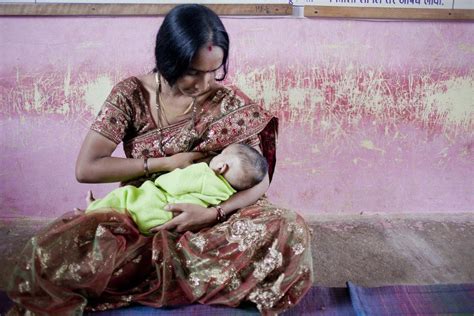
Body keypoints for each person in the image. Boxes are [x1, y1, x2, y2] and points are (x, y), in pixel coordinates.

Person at [7, 4, 313, 315]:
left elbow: (260, 180)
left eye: (214, 72)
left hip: (210, 220)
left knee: (288, 229)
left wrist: (214, 214)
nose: (205, 84)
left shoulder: (227, 103)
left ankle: (166, 276)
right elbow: (87, 168)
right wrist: (165, 164)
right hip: (142, 219)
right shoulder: (131, 96)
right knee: (54, 253)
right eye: (194, 72)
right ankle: (194, 278)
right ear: (169, 59)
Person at [86, 143, 268, 235]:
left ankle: (93, 211)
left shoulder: (204, 173)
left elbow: (174, 183)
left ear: (222, 167)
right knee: (129, 222)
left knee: (124, 196)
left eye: (221, 154)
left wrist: (164, 176)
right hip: (171, 221)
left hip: (157, 204)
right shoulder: (227, 192)